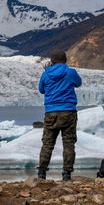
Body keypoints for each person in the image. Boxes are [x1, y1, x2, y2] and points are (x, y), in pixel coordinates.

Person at [37, 49, 82, 181]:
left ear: (52, 61)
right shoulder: (70, 72)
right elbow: (78, 83)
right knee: (68, 143)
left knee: (47, 144)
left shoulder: (46, 74)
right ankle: (67, 174)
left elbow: (41, 90)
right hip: (69, 111)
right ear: (65, 60)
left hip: (51, 112)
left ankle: (41, 173)